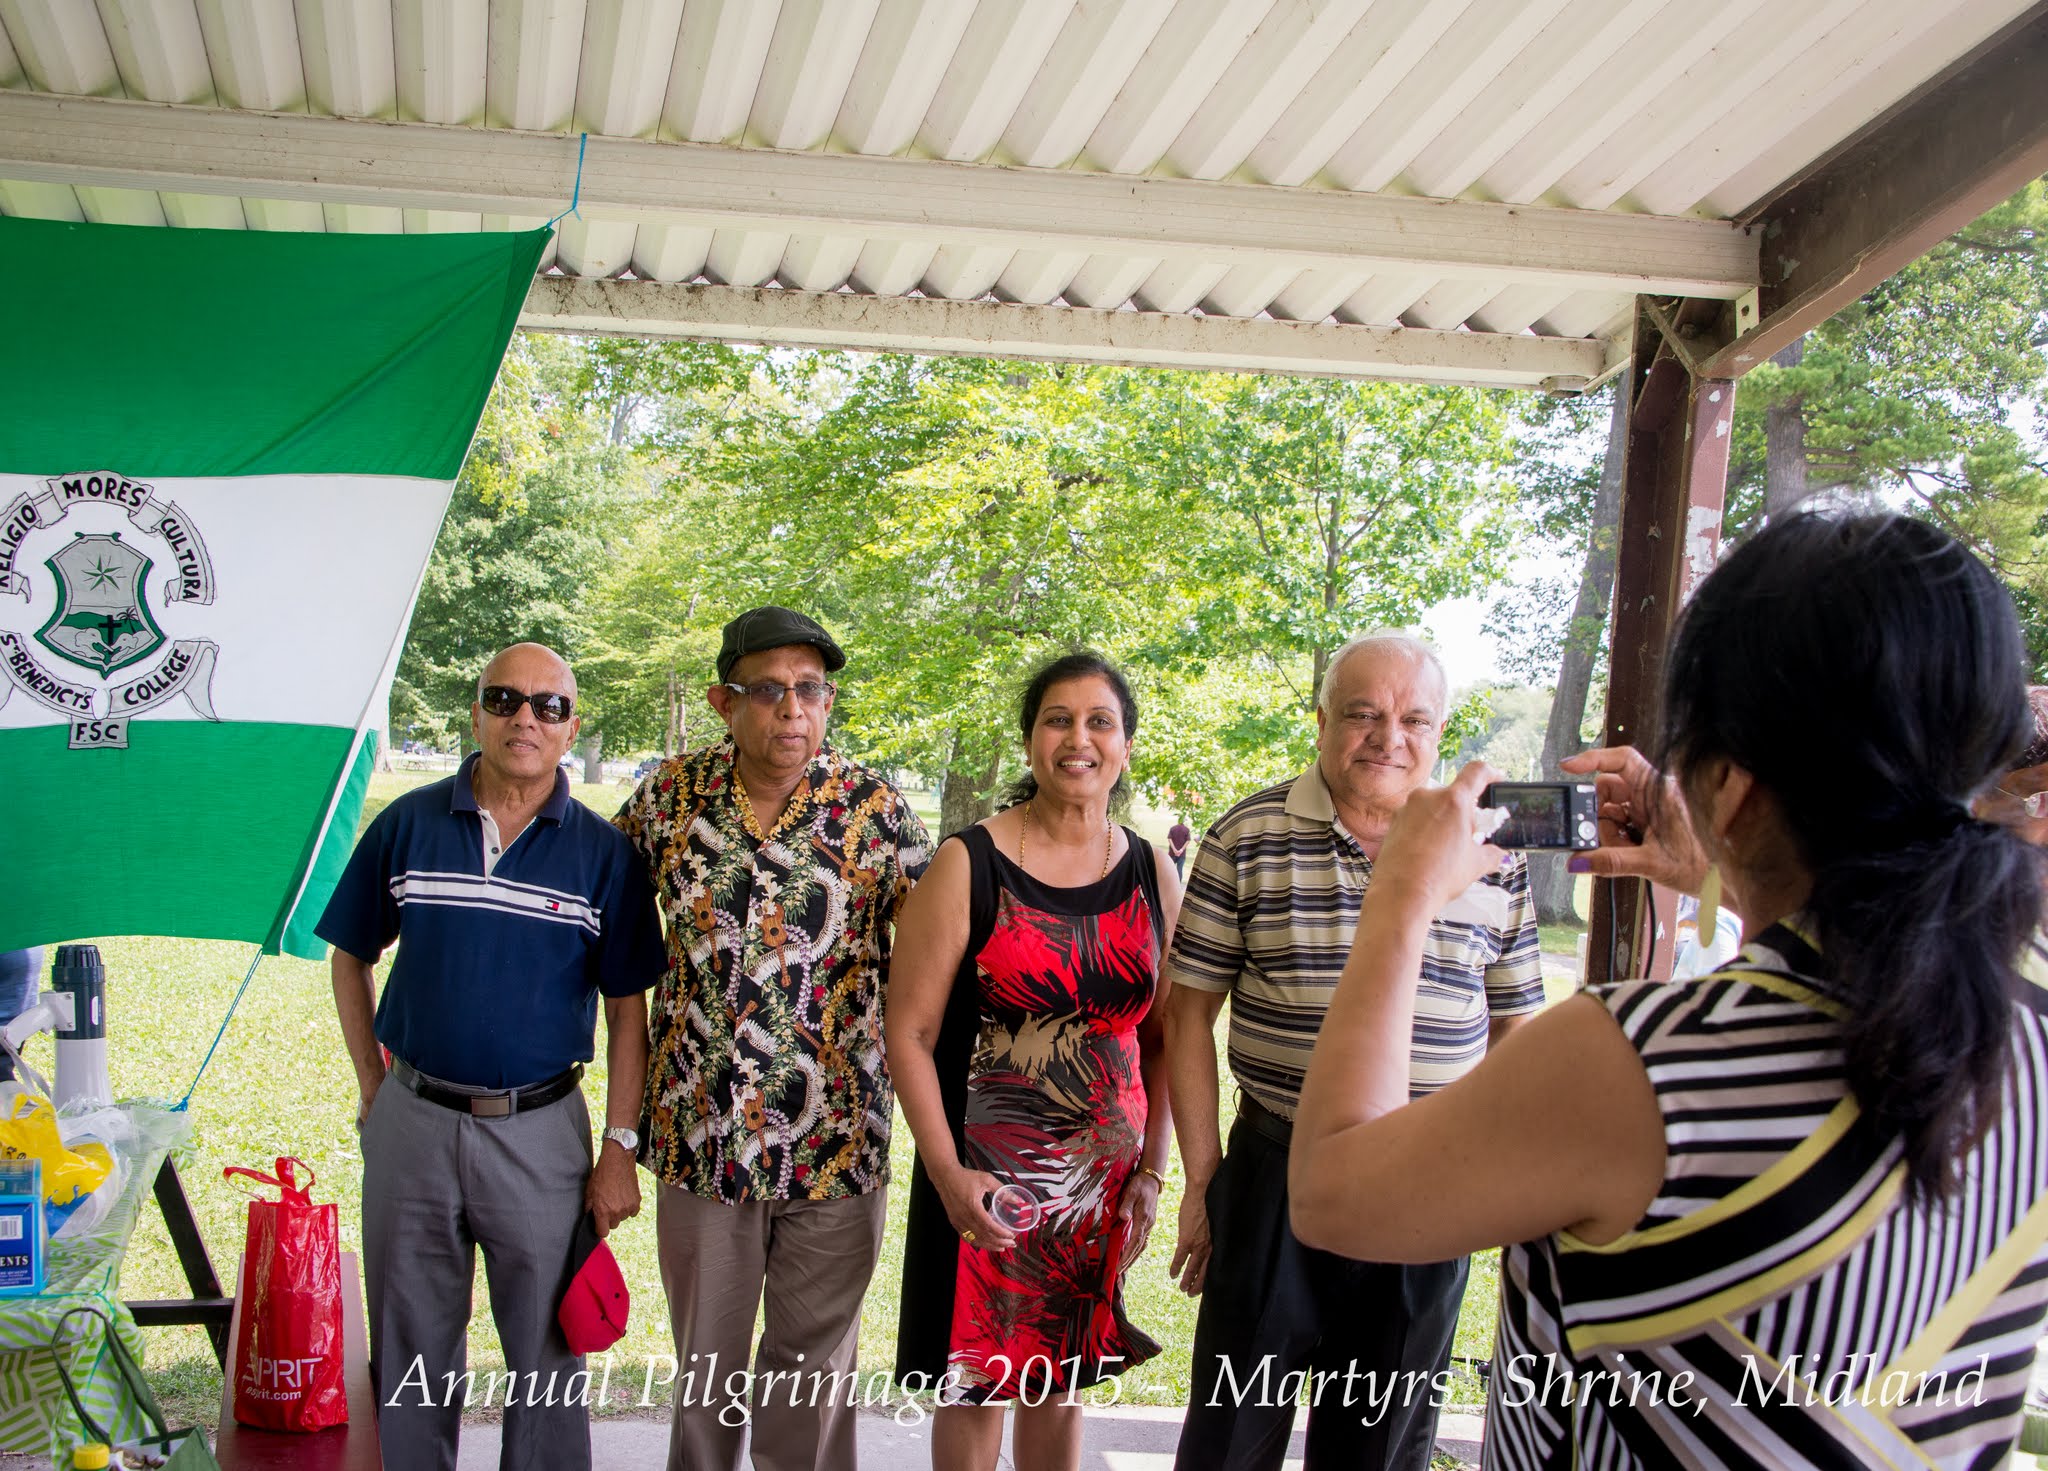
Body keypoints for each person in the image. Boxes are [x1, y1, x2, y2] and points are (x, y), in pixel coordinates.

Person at [1290, 512, 2048, 1467]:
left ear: (1727, 782)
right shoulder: (2025, 1027)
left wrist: (1402, 893)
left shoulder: (1636, 1063)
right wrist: (1733, 863)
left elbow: (1333, 1191)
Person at [1165, 633, 1543, 1471]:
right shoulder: (1246, 834)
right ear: (1322, 720)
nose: (1388, 737)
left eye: (1414, 719)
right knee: (1231, 1435)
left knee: (1382, 1442)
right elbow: (1186, 1014)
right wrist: (1204, 1177)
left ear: (1441, 731)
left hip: (1429, 1175)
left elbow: (1517, 1023)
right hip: (1272, 1171)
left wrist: (1497, 1175)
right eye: (1363, 714)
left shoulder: (1491, 847)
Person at [318, 642, 665, 1471]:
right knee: (408, 1342)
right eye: (505, 699)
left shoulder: (604, 855)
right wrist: (373, 1085)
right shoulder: (407, 824)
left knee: (548, 1351)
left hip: (540, 1129)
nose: (526, 719)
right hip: (413, 1120)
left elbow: (629, 1012)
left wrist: (619, 1147)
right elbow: (349, 955)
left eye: (549, 706)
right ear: (475, 714)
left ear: (572, 727)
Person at [614, 606, 930, 1471]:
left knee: (813, 1380)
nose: (792, 709)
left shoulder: (875, 811)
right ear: (724, 701)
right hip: (702, 1141)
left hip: (836, 1144)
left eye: (811, 690)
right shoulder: (667, 801)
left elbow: (941, 952)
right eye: (768, 690)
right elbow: (599, 932)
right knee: (706, 1376)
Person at [889, 651, 1178, 1471]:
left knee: (1062, 1384)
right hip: (984, 1183)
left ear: (1125, 746)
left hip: (1096, 1188)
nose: (1078, 739)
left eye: (1099, 722)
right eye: (1058, 719)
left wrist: (1152, 1172)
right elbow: (907, 1032)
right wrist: (947, 1175)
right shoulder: (968, 861)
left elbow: (1165, 1035)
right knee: (976, 1384)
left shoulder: (1151, 869)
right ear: (1029, 741)